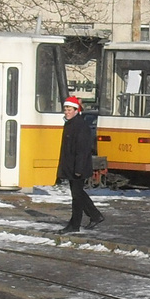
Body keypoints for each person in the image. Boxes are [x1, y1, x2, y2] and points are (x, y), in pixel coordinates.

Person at [57, 96, 103, 234]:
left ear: (76, 110)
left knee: (77, 197)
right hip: (72, 167)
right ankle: (95, 216)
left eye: (69, 109)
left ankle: (75, 224)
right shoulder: (70, 124)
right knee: (78, 194)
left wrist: (78, 170)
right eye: (65, 109)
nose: (66, 111)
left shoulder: (80, 126)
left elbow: (82, 150)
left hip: (78, 168)